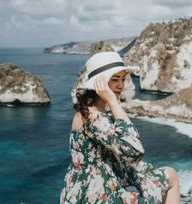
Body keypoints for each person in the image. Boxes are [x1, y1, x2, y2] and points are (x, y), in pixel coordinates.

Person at [60, 51, 180, 204]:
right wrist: (112, 100)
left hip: (92, 188)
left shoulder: (90, 111)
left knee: (168, 174)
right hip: (99, 194)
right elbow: (134, 150)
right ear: (100, 83)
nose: (121, 85)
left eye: (123, 79)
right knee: (171, 175)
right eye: (115, 79)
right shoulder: (93, 116)